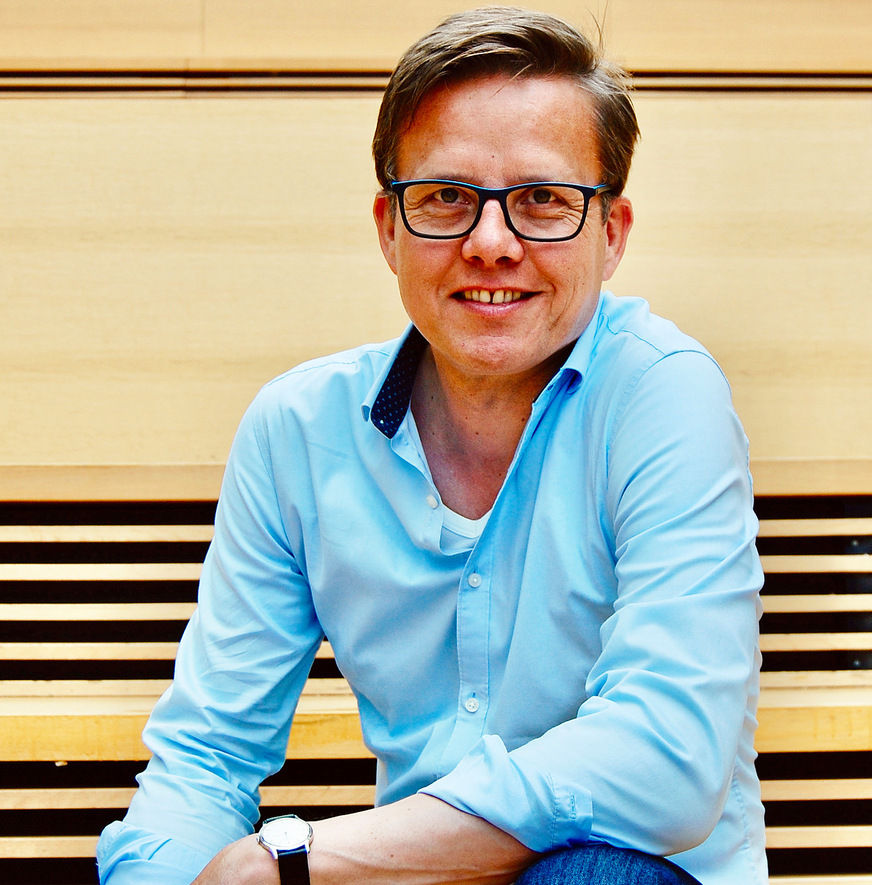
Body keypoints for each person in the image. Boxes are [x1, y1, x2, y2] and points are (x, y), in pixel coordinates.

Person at [96, 7, 766, 884]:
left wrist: (297, 862)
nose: (491, 244)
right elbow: (204, 757)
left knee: (591, 874)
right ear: (389, 227)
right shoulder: (298, 430)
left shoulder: (663, 395)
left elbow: (665, 758)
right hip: (403, 874)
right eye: (446, 197)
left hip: (624, 874)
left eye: (543, 199)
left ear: (611, 234)